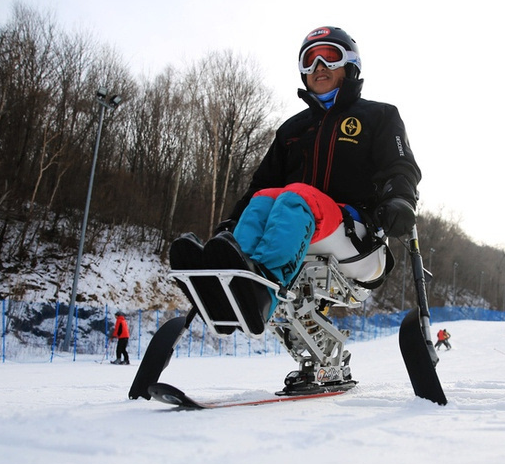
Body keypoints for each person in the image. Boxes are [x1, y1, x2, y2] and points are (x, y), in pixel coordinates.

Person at [170, 26, 420, 335]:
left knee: (294, 197)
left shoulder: (379, 116)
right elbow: (260, 185)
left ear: (351, 65)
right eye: (309, 60)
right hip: (300, 229)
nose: (319, 68)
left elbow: (401, 167)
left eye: (329, 57)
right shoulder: (292, 129)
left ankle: (262, 292)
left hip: (357, 236)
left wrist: (400, 199)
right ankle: (226, 287)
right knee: (265, 199)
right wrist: (232, 222)